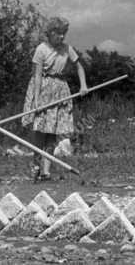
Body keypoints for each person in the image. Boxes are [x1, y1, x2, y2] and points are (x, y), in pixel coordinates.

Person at [21, 17, 88, 180]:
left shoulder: (67, 49)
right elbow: (37, 74)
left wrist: (83, 85)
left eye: (64, 34)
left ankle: (46, 171)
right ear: (50, 33)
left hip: (59, 90)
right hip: (42, 88)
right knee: (39, 130)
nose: (62, 37)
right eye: (59, 34)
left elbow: (79, 66)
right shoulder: (41, 49)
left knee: (53, 131)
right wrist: (36, 99)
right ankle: (35, 166)